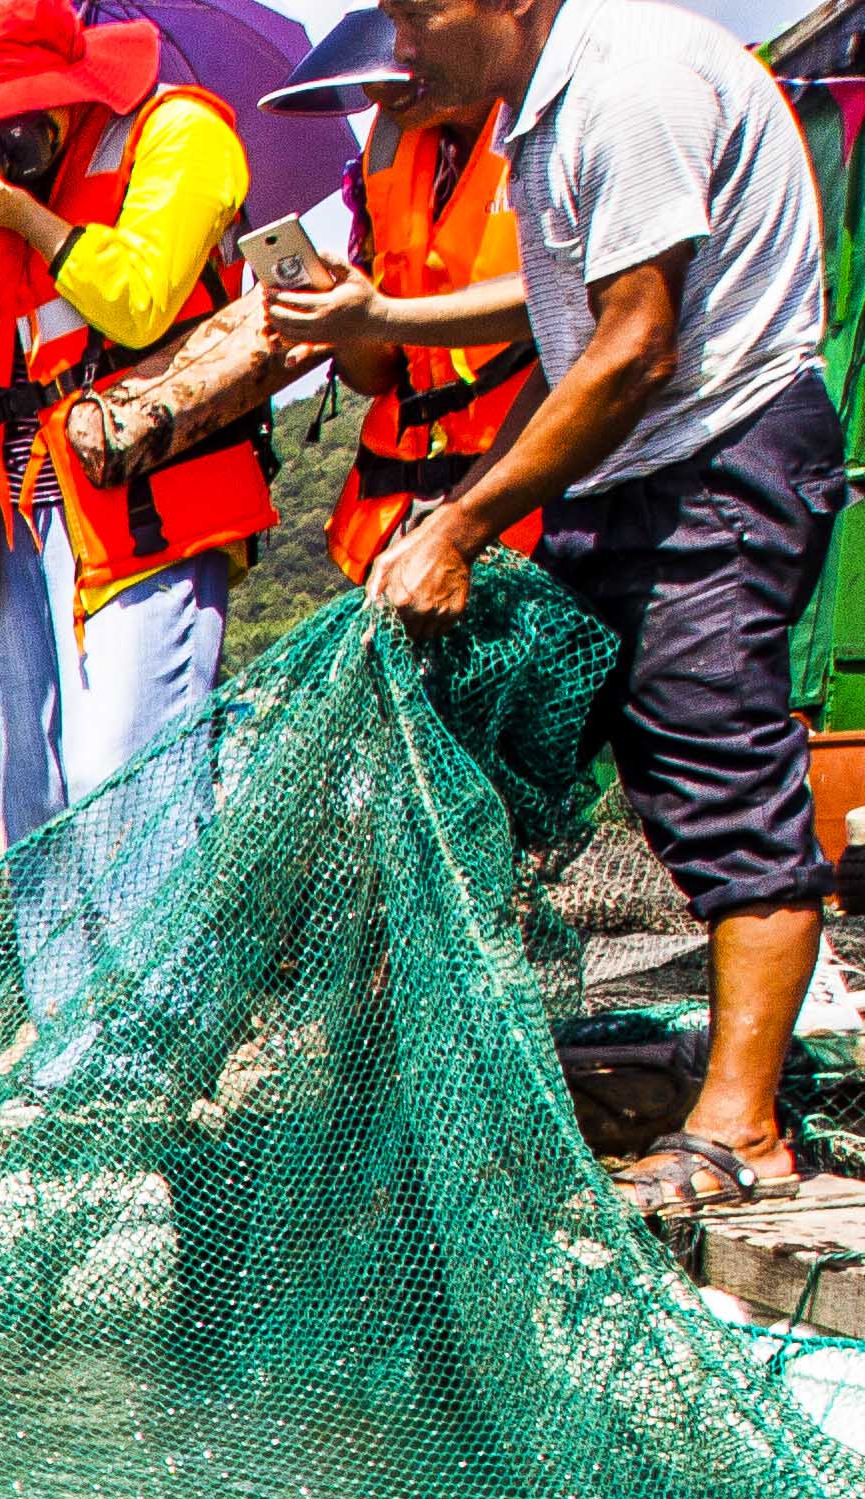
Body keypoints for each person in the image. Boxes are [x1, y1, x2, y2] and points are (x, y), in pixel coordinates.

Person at [311, 0, 850, 1214]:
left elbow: (635, 345)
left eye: (415, 8)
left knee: (721, 781)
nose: (398, 39)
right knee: (490, 768)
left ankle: (741, 1128)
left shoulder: (630, 83)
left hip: (717, 460)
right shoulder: (542, 103)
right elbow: (561, 303)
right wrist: (386, 320)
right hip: (622, 471)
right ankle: (473, 1093)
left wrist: (458, 520)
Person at [0, 0, 273, 1044]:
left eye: (15, 121)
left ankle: (166, 1048)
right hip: (2, 521)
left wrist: (33, 223)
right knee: (37, 796)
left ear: (71, 94)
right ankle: (73, 1048)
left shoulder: (178, 134)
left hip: (137, 510)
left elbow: (139, 303)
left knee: (123, 774)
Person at [262, 12, 543, 583]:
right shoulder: (385, 160)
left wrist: (385, 314)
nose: (376, 99)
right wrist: (344, 322)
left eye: (390, 82)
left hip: (528, 489)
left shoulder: (544, 127)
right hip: (409, 500)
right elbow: (376, 375)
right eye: (370, 86)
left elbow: (577, 303)